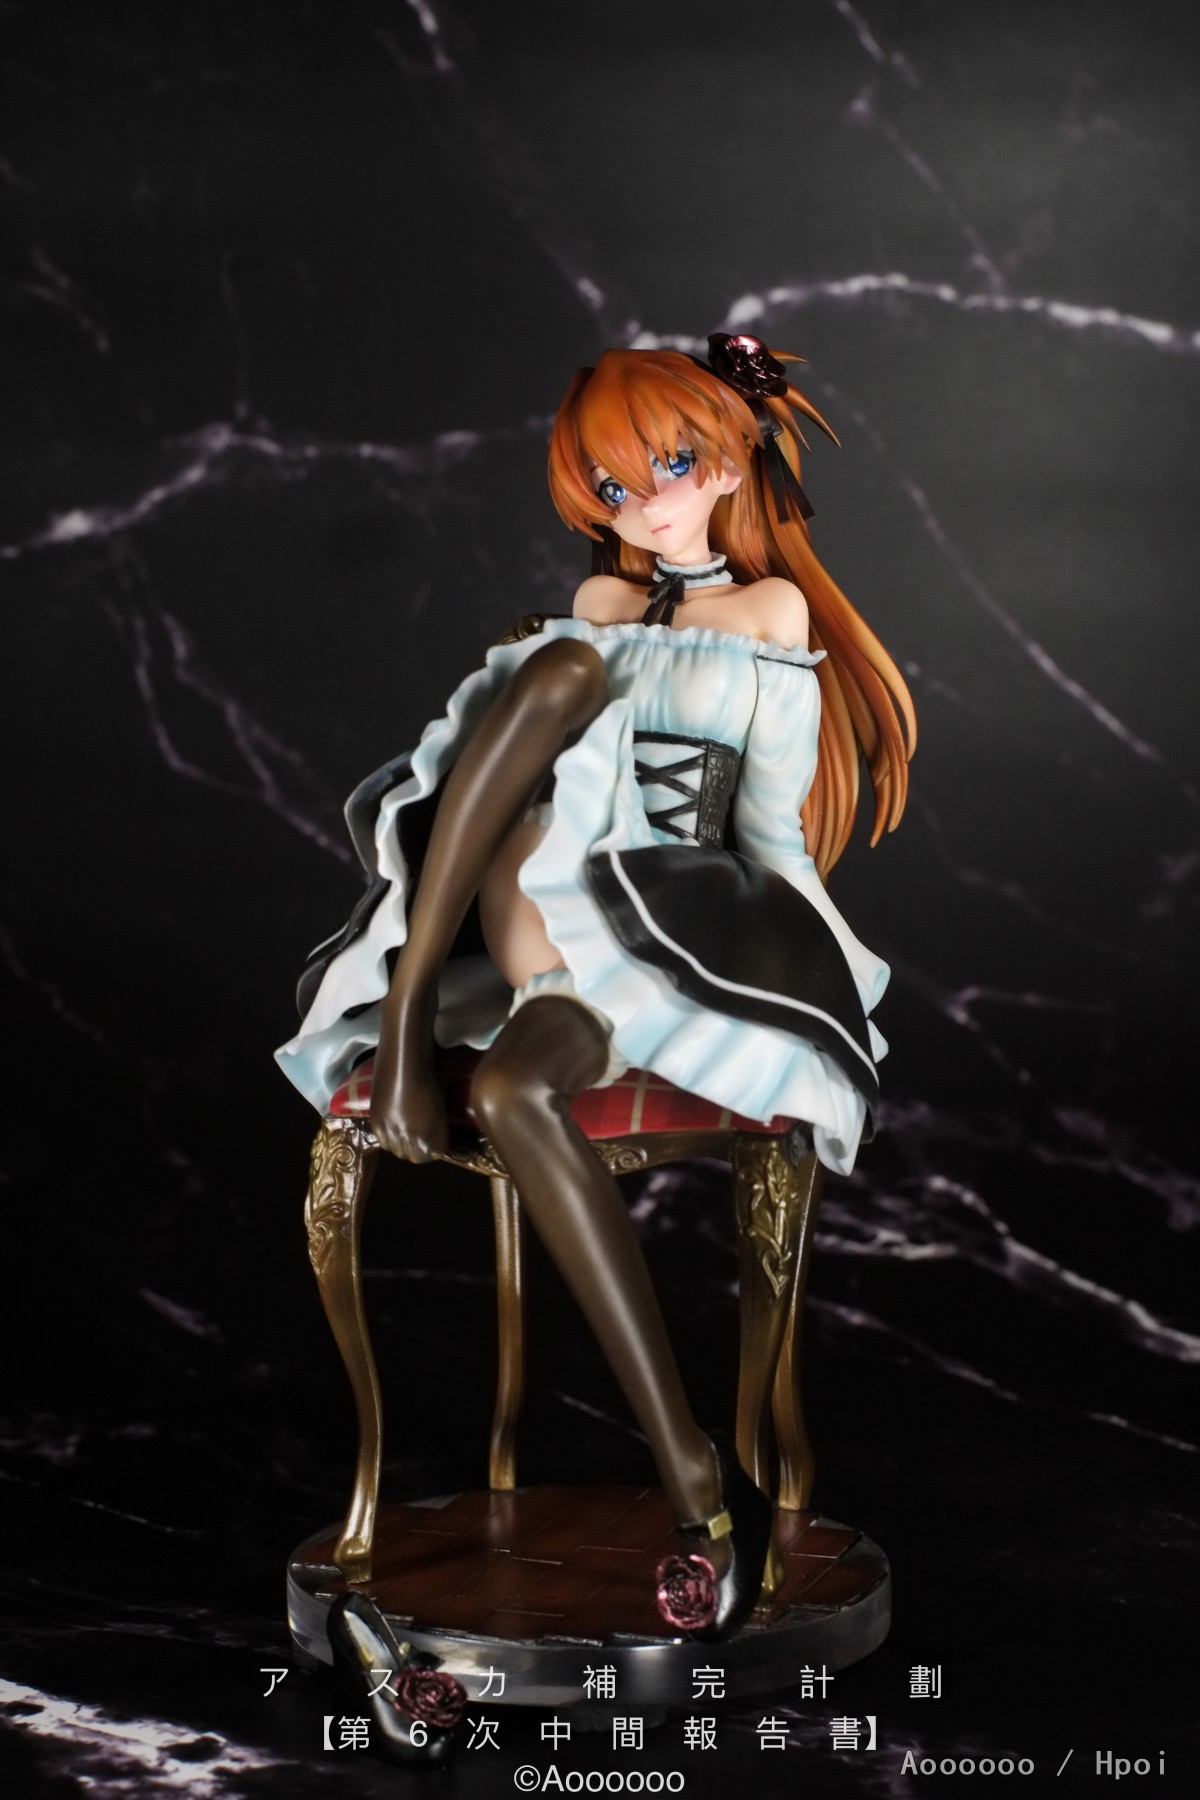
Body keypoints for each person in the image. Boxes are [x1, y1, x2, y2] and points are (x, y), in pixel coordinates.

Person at [277, 334, 915, 1639]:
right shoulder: (596, 609)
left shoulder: (771, 617)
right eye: (615, 487)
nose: (645, 505)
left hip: (653, 931)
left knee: (513, 1090)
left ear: (729, 462)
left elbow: (770, 836)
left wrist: (825, 976)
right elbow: (505, 764)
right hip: (516, 899)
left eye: (670, 468)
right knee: (560, 668)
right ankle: (409, 1004)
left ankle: (694, 1476)